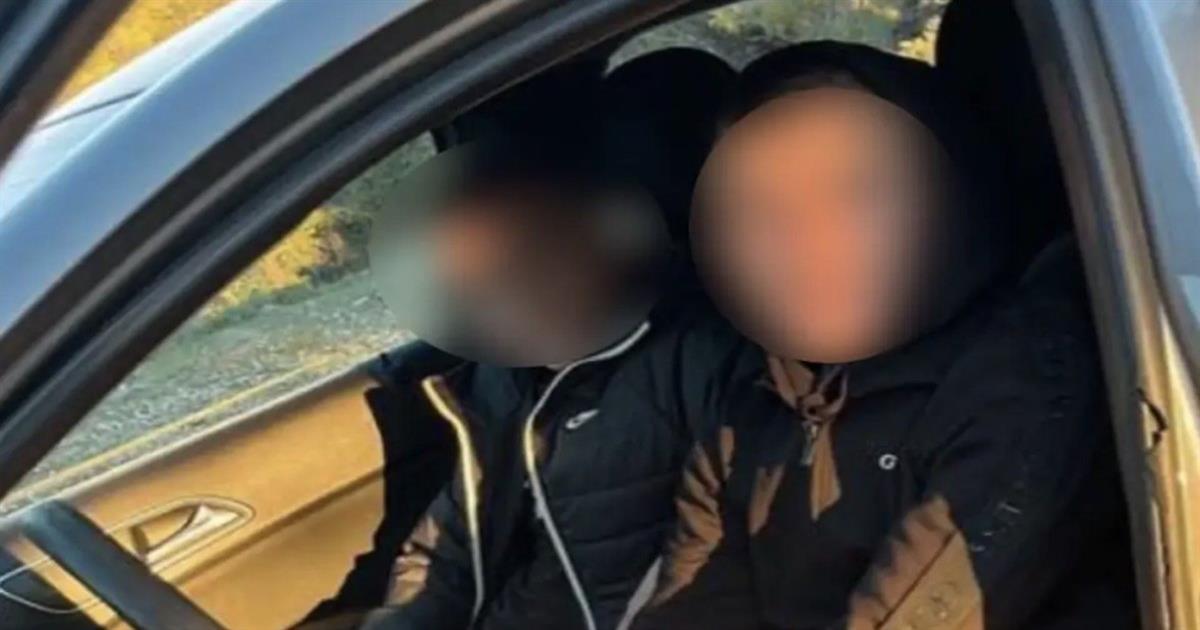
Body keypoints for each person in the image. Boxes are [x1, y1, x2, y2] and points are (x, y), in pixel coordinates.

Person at [631, 42, 1136, 629]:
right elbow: (692, 602)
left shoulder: (1028, 373)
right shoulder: (752, 391)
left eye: (858, 192)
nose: (807, 238)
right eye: (758, 205)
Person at [361, 50, 738, 630]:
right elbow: (445, 554)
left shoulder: (700, 358)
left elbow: (710, 572)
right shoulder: (497, 379)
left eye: (524, 253)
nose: (501, 289)